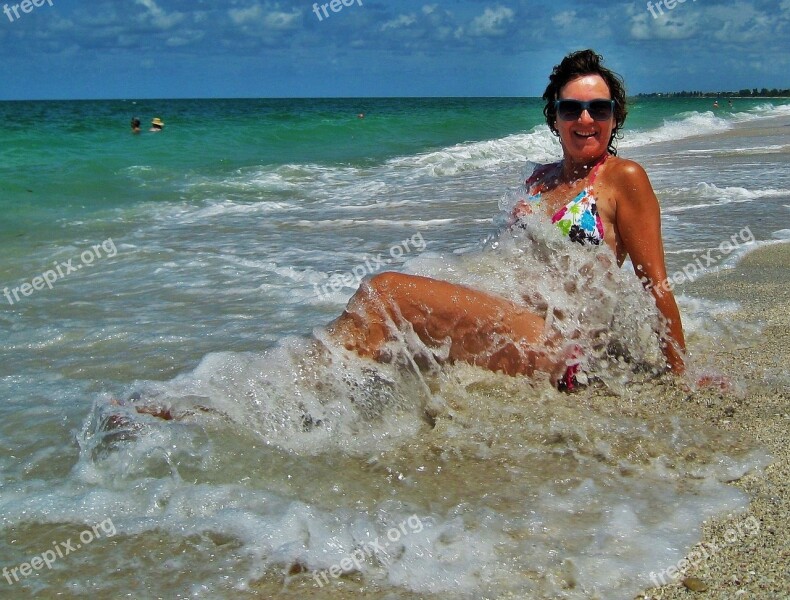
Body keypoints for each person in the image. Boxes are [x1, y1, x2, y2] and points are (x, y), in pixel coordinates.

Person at [326, 49, 686, 388]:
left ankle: (316, 395)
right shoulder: (540, 179)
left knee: (385, 293)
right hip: (518, 322)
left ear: (615, 115)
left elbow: (655, 282)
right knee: (393, 334)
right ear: (555, 118)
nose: (586, 119)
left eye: (599, 108)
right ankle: (334, 399)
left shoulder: (623, 177)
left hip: (565, 344)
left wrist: (681, 373)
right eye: (571, 108)